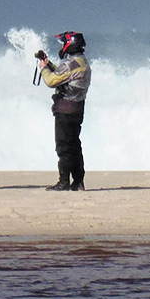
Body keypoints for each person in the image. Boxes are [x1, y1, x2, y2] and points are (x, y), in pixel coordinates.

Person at [38, 31, 91, 191]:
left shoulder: (71, 64)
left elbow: (51, 80)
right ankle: (78, 181)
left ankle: (63, 182)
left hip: (65, 110)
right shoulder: (82, 62)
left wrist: (43, 69)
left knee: (63, 146)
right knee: (74, 145)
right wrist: (49, 64)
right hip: (77, 109)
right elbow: (65, 75)